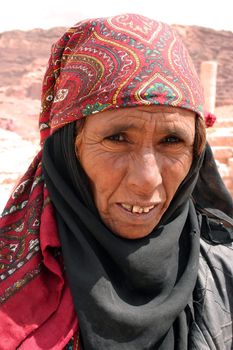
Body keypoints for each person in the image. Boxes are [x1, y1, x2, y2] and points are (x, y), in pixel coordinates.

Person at [0, 13, 232, 350]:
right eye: (118, 138)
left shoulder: (222, 277)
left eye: (172, 142)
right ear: (69, 149)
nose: (146, 181)